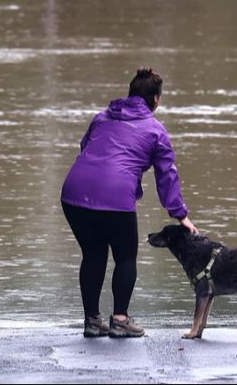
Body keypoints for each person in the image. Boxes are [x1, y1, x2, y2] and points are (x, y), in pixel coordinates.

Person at [60, 68, 198, 338]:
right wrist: (180, 215)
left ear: (131, 93)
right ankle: (120, 320)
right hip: (114, 198)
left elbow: (86, 147)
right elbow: (167, 175)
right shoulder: (156, 131)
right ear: (156, 99)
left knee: (93, 253)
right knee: (125, 256)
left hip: (74, 193)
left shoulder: (102, 117)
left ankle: (92, 321)